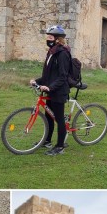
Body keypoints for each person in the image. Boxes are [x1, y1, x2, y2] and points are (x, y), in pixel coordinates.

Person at [29, 25, 71, 156]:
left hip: (59, 91)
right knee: (48, 117)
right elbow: (48, 76)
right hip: (50, 91)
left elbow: (63, 76)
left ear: (58, 39)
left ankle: (60, 147)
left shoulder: (62, 54)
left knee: (59, 119)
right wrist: (37, 81)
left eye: (50, 37)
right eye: (47, 37)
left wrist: (50, 87)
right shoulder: (51, 53)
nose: (48, 39)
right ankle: (47, 141)